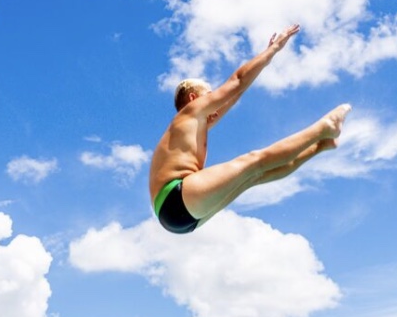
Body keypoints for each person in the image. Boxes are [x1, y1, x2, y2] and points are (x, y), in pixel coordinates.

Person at [149, 24, 351, 234]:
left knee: (254, 176)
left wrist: (257, 71)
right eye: (208, 94)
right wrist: (272, 50)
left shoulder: (195, 125)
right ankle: (325, 128)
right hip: (176, 196)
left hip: (182, 219)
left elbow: (234, 94)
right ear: (193, 98)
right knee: (254, 160)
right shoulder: (190, 111)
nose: (214, 99)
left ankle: (320, 145)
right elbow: (237, 81)